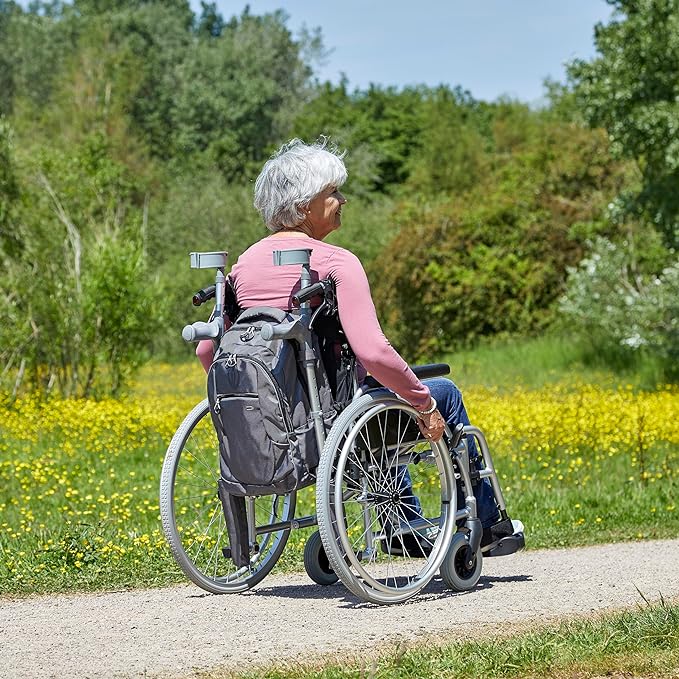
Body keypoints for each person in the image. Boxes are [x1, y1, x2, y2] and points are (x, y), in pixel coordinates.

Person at [196, 137, 521, 553]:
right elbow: (373, 351)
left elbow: (209, 351)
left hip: (280, 428)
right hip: (339, 420)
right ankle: (491, 526)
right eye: (333, 193)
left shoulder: (242, 266)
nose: (342, 200)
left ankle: (403, 523)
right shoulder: (335, 262)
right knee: (440, 395)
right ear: (303, 205)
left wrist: (268, 396)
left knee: (376, 396)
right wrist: (423, 403)